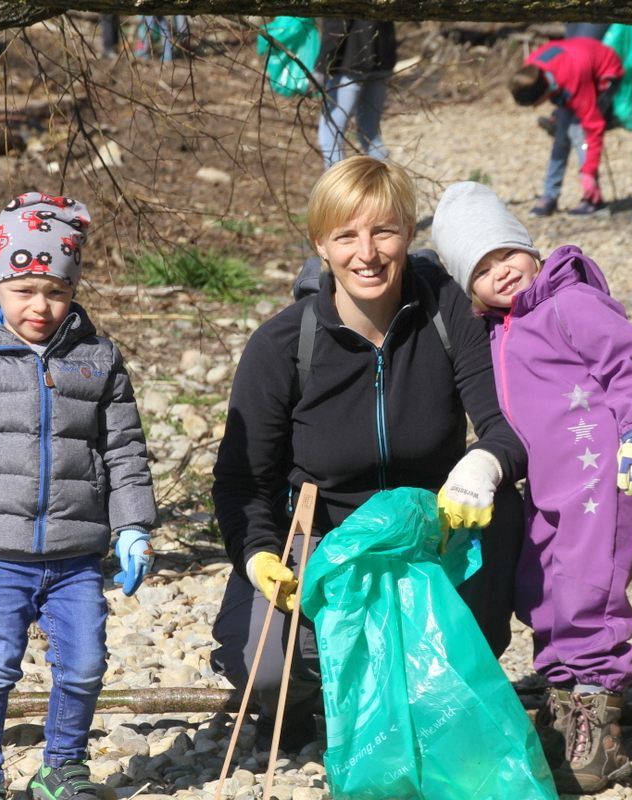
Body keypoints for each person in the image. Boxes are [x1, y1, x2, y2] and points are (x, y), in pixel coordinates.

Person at [210, 156, 528, 752]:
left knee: (504, 507)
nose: (367, 253)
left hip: (431, 532)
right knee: (268, 668)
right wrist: (256, 556)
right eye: (346, 236)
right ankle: (306, 697)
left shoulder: (450, 314)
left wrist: (481, 466)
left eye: (384, 231)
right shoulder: (282, 345)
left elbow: (506, 429)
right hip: (324, 542)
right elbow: (240, 483)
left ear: (409, 233)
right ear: (320, 245)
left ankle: (453, 670)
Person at [0, 192, 157, 800]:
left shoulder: (96, 359)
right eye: (24, 290)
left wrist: (133, 526)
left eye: (56, 290)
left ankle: (62, 767)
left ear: (73, 289)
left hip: (75, 552)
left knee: (86, 663)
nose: (40, 306)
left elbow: (123, 450)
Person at [432, 181, 632, 794]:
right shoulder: (496, 330)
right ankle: (564, 699)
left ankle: (597, 714)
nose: (501, 272)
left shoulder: (570, 304)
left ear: (530, 248)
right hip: (542, 490)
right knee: (541, 592)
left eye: (506, 253)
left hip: (600, 480)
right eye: (481, 269)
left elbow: (628, 362)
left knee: (591, 590)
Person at [509, 37, 623, 217]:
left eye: (536, 104)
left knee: (578, 134)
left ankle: (593, 200)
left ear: (544, 94)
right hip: (575, 62)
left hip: (604, 70)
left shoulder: (574, 84)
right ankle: (550, 195)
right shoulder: (531, 70)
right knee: (561, 136)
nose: (537, 108)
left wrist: (589, 170)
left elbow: (594, 128)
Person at [315, 19, 396, 169]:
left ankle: (338, 192)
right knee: (370, 135)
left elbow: (336, 23)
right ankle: (389, 188)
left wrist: (321, 66)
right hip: (383, 57)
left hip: (351, 62)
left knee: (330, 136)